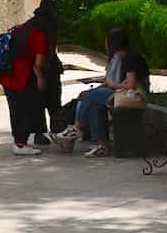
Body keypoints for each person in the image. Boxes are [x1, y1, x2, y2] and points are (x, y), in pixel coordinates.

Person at [57, 28, 149, 157]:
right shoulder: (120, 58)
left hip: (133, 97)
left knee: (91, 96)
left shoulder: (130, 58)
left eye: (107, 41)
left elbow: (131, 84)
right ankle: (102, 146)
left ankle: (76, 128)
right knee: (95, 104)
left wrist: (111, 85)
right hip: (122, 94)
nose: (105, 44)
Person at [2, 0, 57, 156]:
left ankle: (19, 142)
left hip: (8, 75)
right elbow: (38, 62)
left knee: (15, 108)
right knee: (25, 109)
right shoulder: (39, 34)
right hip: (22, 76)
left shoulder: (20, 28)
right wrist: (40, 77)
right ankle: (20, 144)